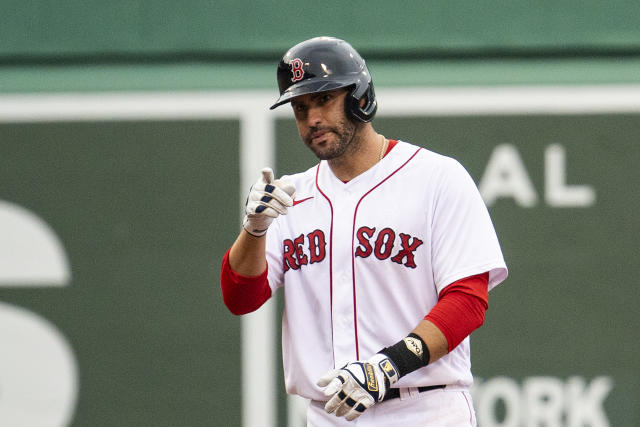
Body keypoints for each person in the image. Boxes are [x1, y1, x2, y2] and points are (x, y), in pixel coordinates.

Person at [221, 36, 508, 426]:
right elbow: (241, 298)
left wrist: (388, 365)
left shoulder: (436, 178)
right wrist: (254, 231)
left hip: (423, 408)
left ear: (360, 97)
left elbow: (468, 299)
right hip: (329, 414)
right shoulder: (289, 197)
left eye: (324, 99)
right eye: (300, 108)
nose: (312, 119)